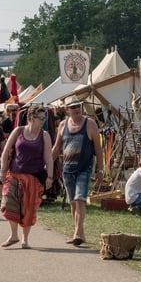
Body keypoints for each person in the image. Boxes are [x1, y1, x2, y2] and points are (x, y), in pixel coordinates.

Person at [52, 96, 104, 246]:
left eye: (78, 106)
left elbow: (98, 149)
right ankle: (80, 233)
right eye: (73, 107)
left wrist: (100, 170)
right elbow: (56, 148)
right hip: (67, 170)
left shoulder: (90, 124)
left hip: (84, 169)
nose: (76, 109)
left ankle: (77, 233)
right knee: (73, 203)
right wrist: (47, 164)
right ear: (67, 110)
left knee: (80, 199)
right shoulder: (62, 125)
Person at [0, 105, 53, 249]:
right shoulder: (18, 131)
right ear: (31, 118)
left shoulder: (44, 135)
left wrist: (50, 177)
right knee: (8, 204)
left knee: (28, 208)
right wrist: (2, 170)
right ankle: (13, 235)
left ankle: (25, 239)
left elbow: (48, 157)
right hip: (14, 174)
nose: (43, 120)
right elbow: (5, 151)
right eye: (41, 117)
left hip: (33, 177)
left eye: (44, 117)